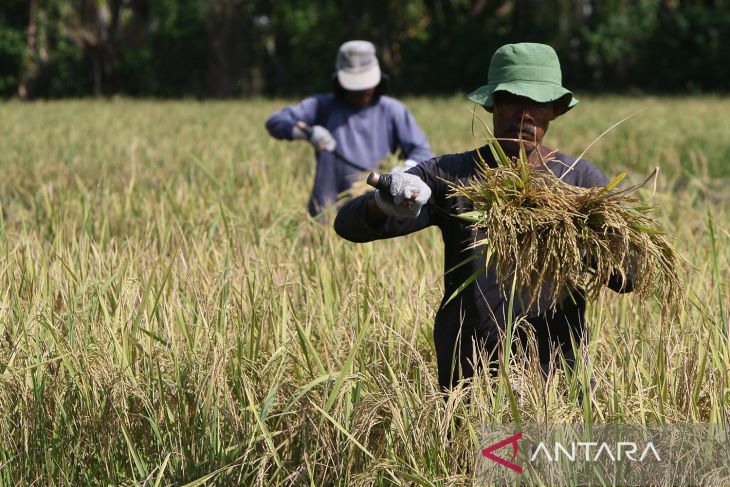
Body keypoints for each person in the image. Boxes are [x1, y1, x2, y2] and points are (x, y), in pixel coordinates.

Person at [334, 43, 633, 391]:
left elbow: (628, 278)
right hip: (469, 370)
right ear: (491, 102)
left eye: (538, 103)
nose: (524, 114)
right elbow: (349, 226)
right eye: (511, 100)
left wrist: (583, 238)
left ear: (554, 110)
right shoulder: (451, 175)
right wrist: (382, 203)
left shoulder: (580, 183)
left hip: (555, 374)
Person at [265, 40, 433, 217]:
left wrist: (401, 173)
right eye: (357, 87)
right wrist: (307, 133)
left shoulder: (392, 111)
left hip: (377, 212)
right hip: (328, 211)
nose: (364, 91)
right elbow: (276, 121)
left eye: (367, 85)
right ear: (341, 82)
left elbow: (423, 153)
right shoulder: (323, 106)